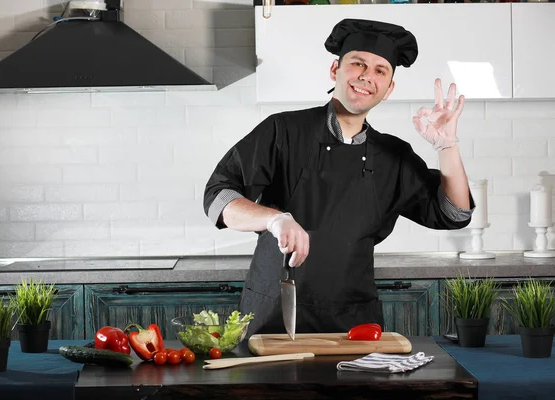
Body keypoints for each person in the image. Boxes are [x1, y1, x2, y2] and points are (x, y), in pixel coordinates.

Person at [203, 19, 475, 337]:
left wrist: (447, 145)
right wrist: (274, 220)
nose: (366, 76)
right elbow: (218, 196)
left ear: (389, 90)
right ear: (336, 70)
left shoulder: (394, 156)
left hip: (354, 324)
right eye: (357, 63)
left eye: (380, 70)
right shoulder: (283, 131)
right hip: (273, 318)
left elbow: (454, 213)